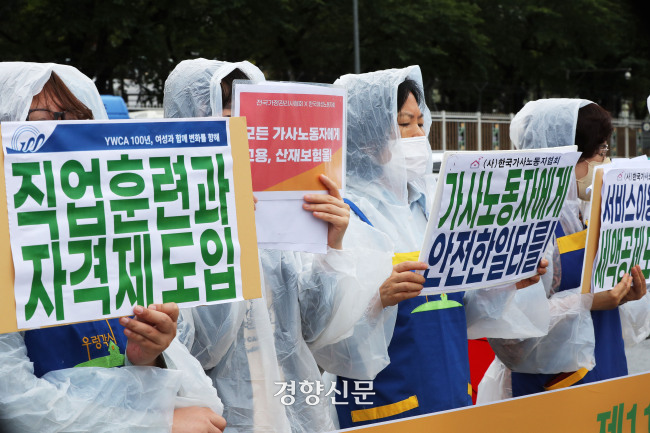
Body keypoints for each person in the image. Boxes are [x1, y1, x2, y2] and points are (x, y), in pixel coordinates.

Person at [164, 58, 395, 433]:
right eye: (226, 108)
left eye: (247, 109)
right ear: (189, 120)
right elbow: (200, 349)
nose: (241, 122)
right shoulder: (168, 221)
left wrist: (331, 249)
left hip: (298, 416)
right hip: (223, 420)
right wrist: (228, 235)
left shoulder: (278, 208)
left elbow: (314, 327)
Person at [0, 62, 225, 433]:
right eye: (45, 117)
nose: (65, 132)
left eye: (78, 118)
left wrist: (147, 356)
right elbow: (16, 405)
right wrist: (158, 424)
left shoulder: (115, 237)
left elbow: (197, 394)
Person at [330, 66, 550, 428]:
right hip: (385, 403)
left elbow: (461, 308)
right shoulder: (347, 215)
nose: (419, 133)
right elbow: (325, 331)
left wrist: (508, 280)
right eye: (405, 124)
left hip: (450, 392)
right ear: (368, 136)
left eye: (420, 121)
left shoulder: (433, 209)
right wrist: (378, 299)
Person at [485, 98, 649, 398]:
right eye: (600, 151)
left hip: (606, 369)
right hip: (553, 390)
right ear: (565, 156)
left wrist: (627, 294)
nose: (604, 161)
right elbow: (509, 327)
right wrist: (587, 301)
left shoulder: (588, 213)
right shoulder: (524, 224)